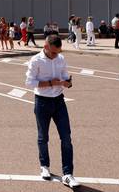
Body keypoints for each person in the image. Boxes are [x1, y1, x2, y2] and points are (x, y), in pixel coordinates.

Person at [25, 35, 80, 189]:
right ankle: (44, 166)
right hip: (42, 101)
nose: (57, 55)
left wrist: (67, 83)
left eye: (58, 52)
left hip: (59, 100)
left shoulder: (61, 58)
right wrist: (50, 83)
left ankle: (68, 174)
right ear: (46, 47)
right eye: (54, 52)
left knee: (66, 137)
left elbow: (64, 76)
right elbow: (29, 82)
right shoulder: (36, 60)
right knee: (43, 137)